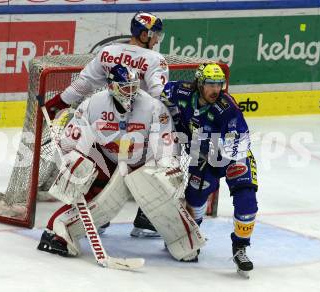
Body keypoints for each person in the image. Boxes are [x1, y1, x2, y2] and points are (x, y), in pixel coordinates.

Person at [38, 65, 204, 262]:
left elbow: (165, 142)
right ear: (112, 87)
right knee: (100, 200)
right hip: (108, 158)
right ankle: (57, 231)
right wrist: (70, 157)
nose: (131, 92)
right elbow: (74, 137)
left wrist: (167, 166)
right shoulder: (94, 104)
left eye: (134, 86)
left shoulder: (152, 107)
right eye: (125, 87)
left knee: (162, 196)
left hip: (142, 162)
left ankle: (182, 241)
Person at [44, 11, 168, 237]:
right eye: (155, 34)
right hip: (140, 128)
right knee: (158, 164)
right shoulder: (154, 60)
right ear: (143, 34)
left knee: (100, 161)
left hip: (108, 122)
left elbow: (84, 85)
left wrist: (57, 103)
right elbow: (160, 96)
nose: (157, 39)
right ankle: (145, 218)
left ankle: (98, 217)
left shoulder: (108, 52)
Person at [160, 63, 259, 277]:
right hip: (203, 156)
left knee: (247, 201)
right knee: (194, 199)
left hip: (234, 157)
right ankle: (190, 237)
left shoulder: (227, 107)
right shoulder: (182, 91)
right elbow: (159, 93)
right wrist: (173, 118)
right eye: (211, 84)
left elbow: (238, 143)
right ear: (199, 83)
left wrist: (214, 150)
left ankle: (240, 248)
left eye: (219, 84)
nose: (216, 89)